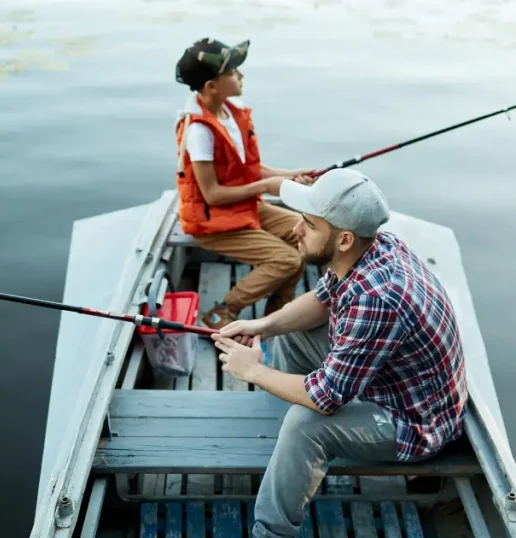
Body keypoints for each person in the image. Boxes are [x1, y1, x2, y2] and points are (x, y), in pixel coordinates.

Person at [210, 168, 469, 538]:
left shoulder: (375, 299)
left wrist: (252, 371)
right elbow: (321, 300)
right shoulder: (376, 245)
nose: (296, 230)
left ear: (344, 238)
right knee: (289, 331)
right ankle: (289, 456)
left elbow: (325, 398)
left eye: (308, 224)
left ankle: (271, 532)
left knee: (306, 423)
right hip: (390, 384)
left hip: (413, 423)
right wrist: (262, 326)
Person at [173, 37, 316, 329]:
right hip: (211, 221)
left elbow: (247, 168)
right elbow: (212, 195)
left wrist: (288, 174)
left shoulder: (230, 111)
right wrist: (266, 186)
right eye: (233, 72)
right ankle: (221, 313)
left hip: (243, 206)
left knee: (304, 233)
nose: (241, 75)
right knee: (287, 260)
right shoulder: (199, 131)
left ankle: (278, 309)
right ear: (212, 86)